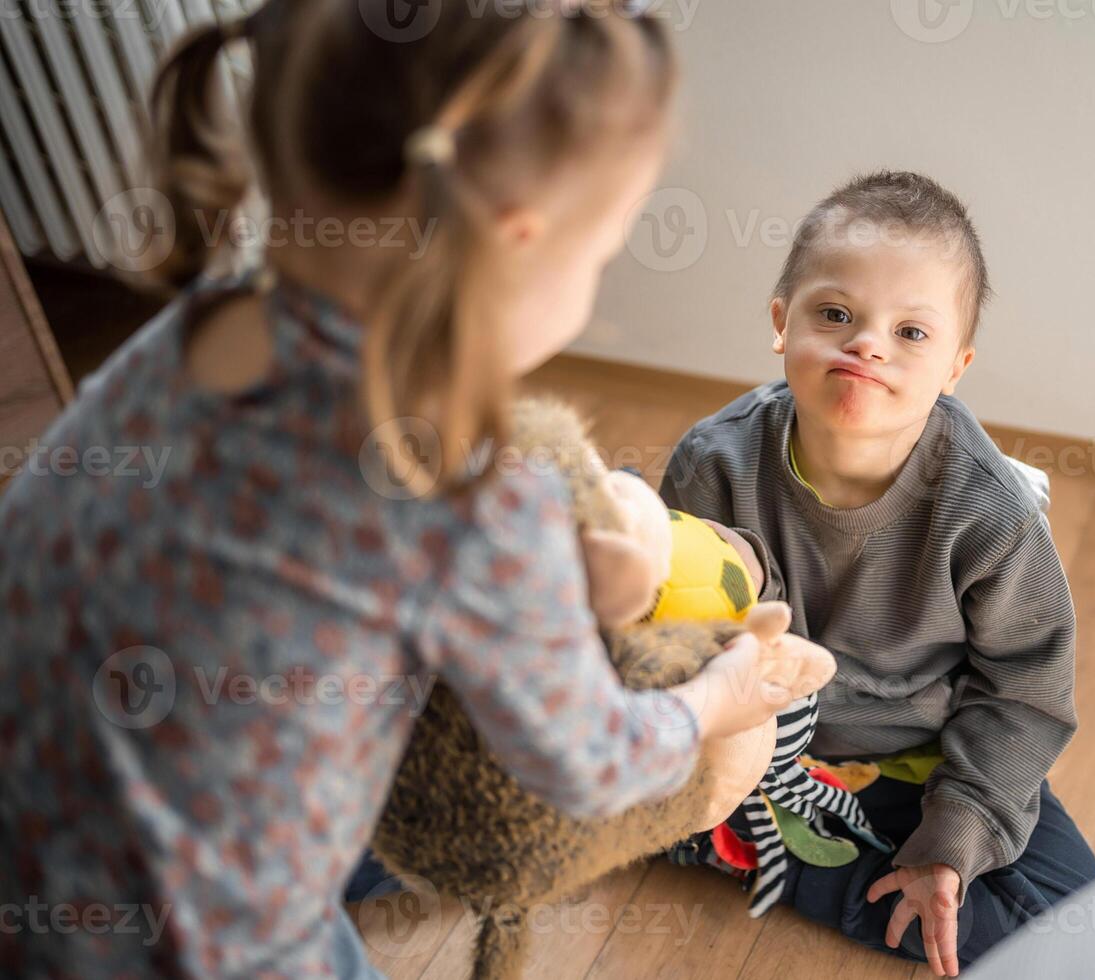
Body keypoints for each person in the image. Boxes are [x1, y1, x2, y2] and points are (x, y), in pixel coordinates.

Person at [0, 2, 810, 976]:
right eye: (600, 254)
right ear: (518, 237)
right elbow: (587, 761)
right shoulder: (466, 492)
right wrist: (721, 699)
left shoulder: (191, 334)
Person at [660, 171, 1095, 977]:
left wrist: (956, 834)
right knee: (555, 776)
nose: (867, 343)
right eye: (836, 314)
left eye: (911, 333)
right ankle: (726, 833)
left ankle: (744, 848)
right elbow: (669, 629)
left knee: (1078, 927)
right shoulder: (715, 463)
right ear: (779, 323)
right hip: (750, 739)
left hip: (915, 752)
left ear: (956, 367)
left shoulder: (988, 513)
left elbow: (1024, 693)